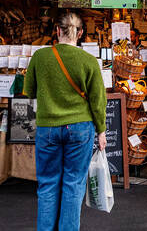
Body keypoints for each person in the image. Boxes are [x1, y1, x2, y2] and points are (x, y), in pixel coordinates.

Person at [23, 13, 107, 231]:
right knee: (73, 184)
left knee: (47, 184)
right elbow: (98, 101)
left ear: (57, 31)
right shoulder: (89, 61)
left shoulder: (40, 57)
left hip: (47, 127)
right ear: (80, 33)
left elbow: (29, 91)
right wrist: (101, 131)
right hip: (80, 128)